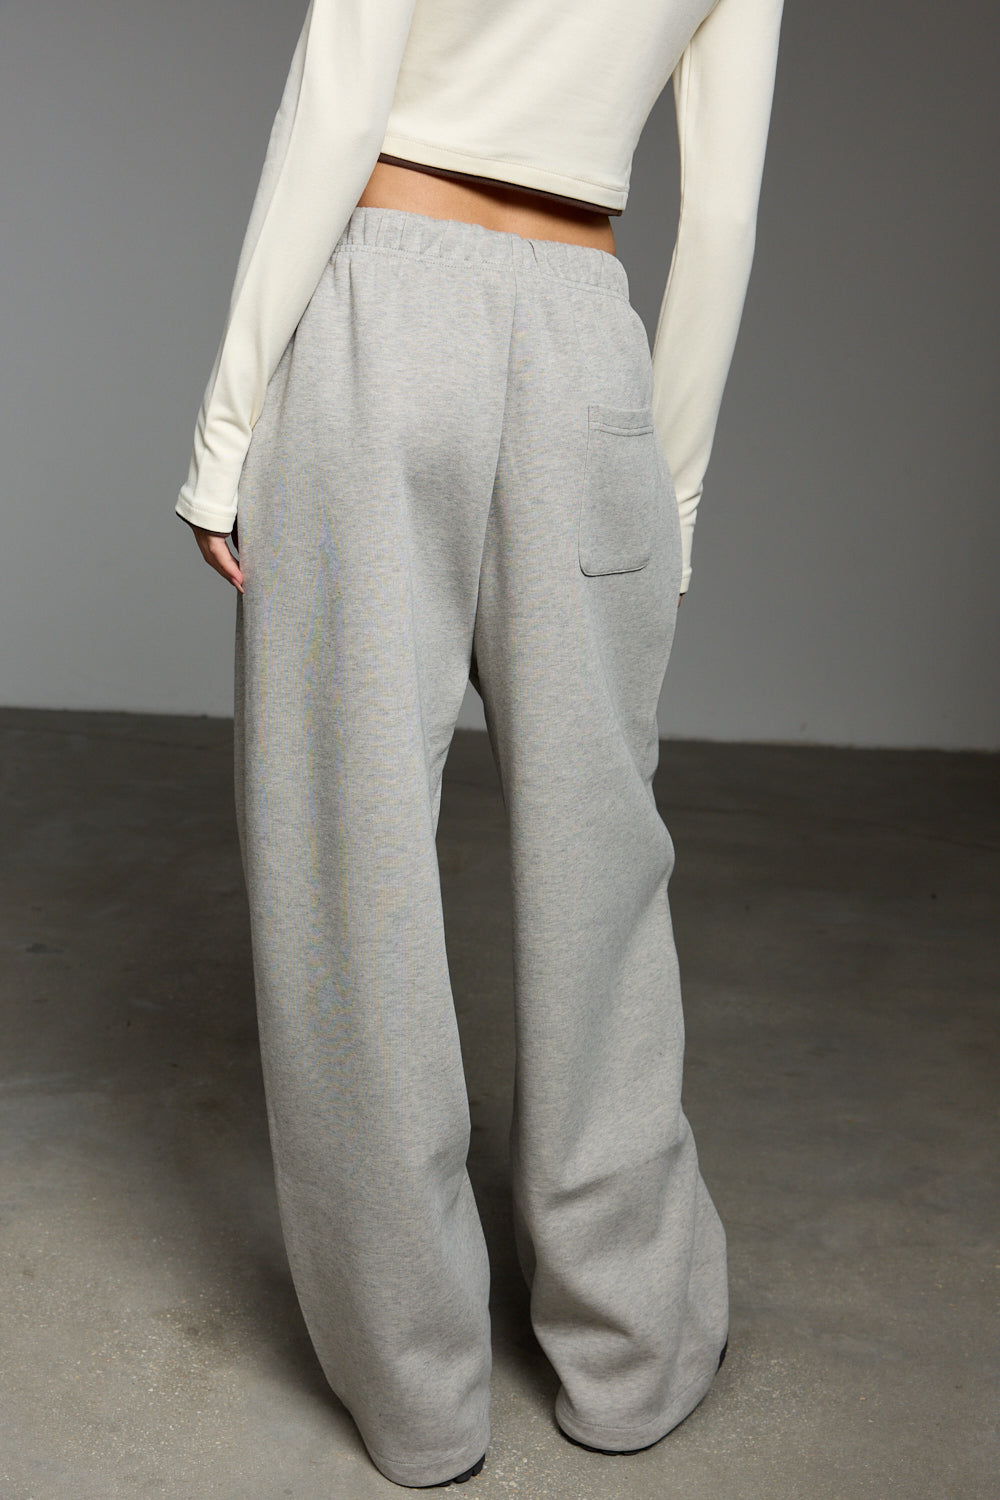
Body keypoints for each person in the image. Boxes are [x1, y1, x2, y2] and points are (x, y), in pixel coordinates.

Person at [176, 0, 785, 1487]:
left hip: (383, 319)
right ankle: (634, 1352)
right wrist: (672, 497)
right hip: (588, 346)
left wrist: (227, 427)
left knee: (348, 868)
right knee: (601, 869)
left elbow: (338, 99)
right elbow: (722, 210)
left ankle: (419, 1397)